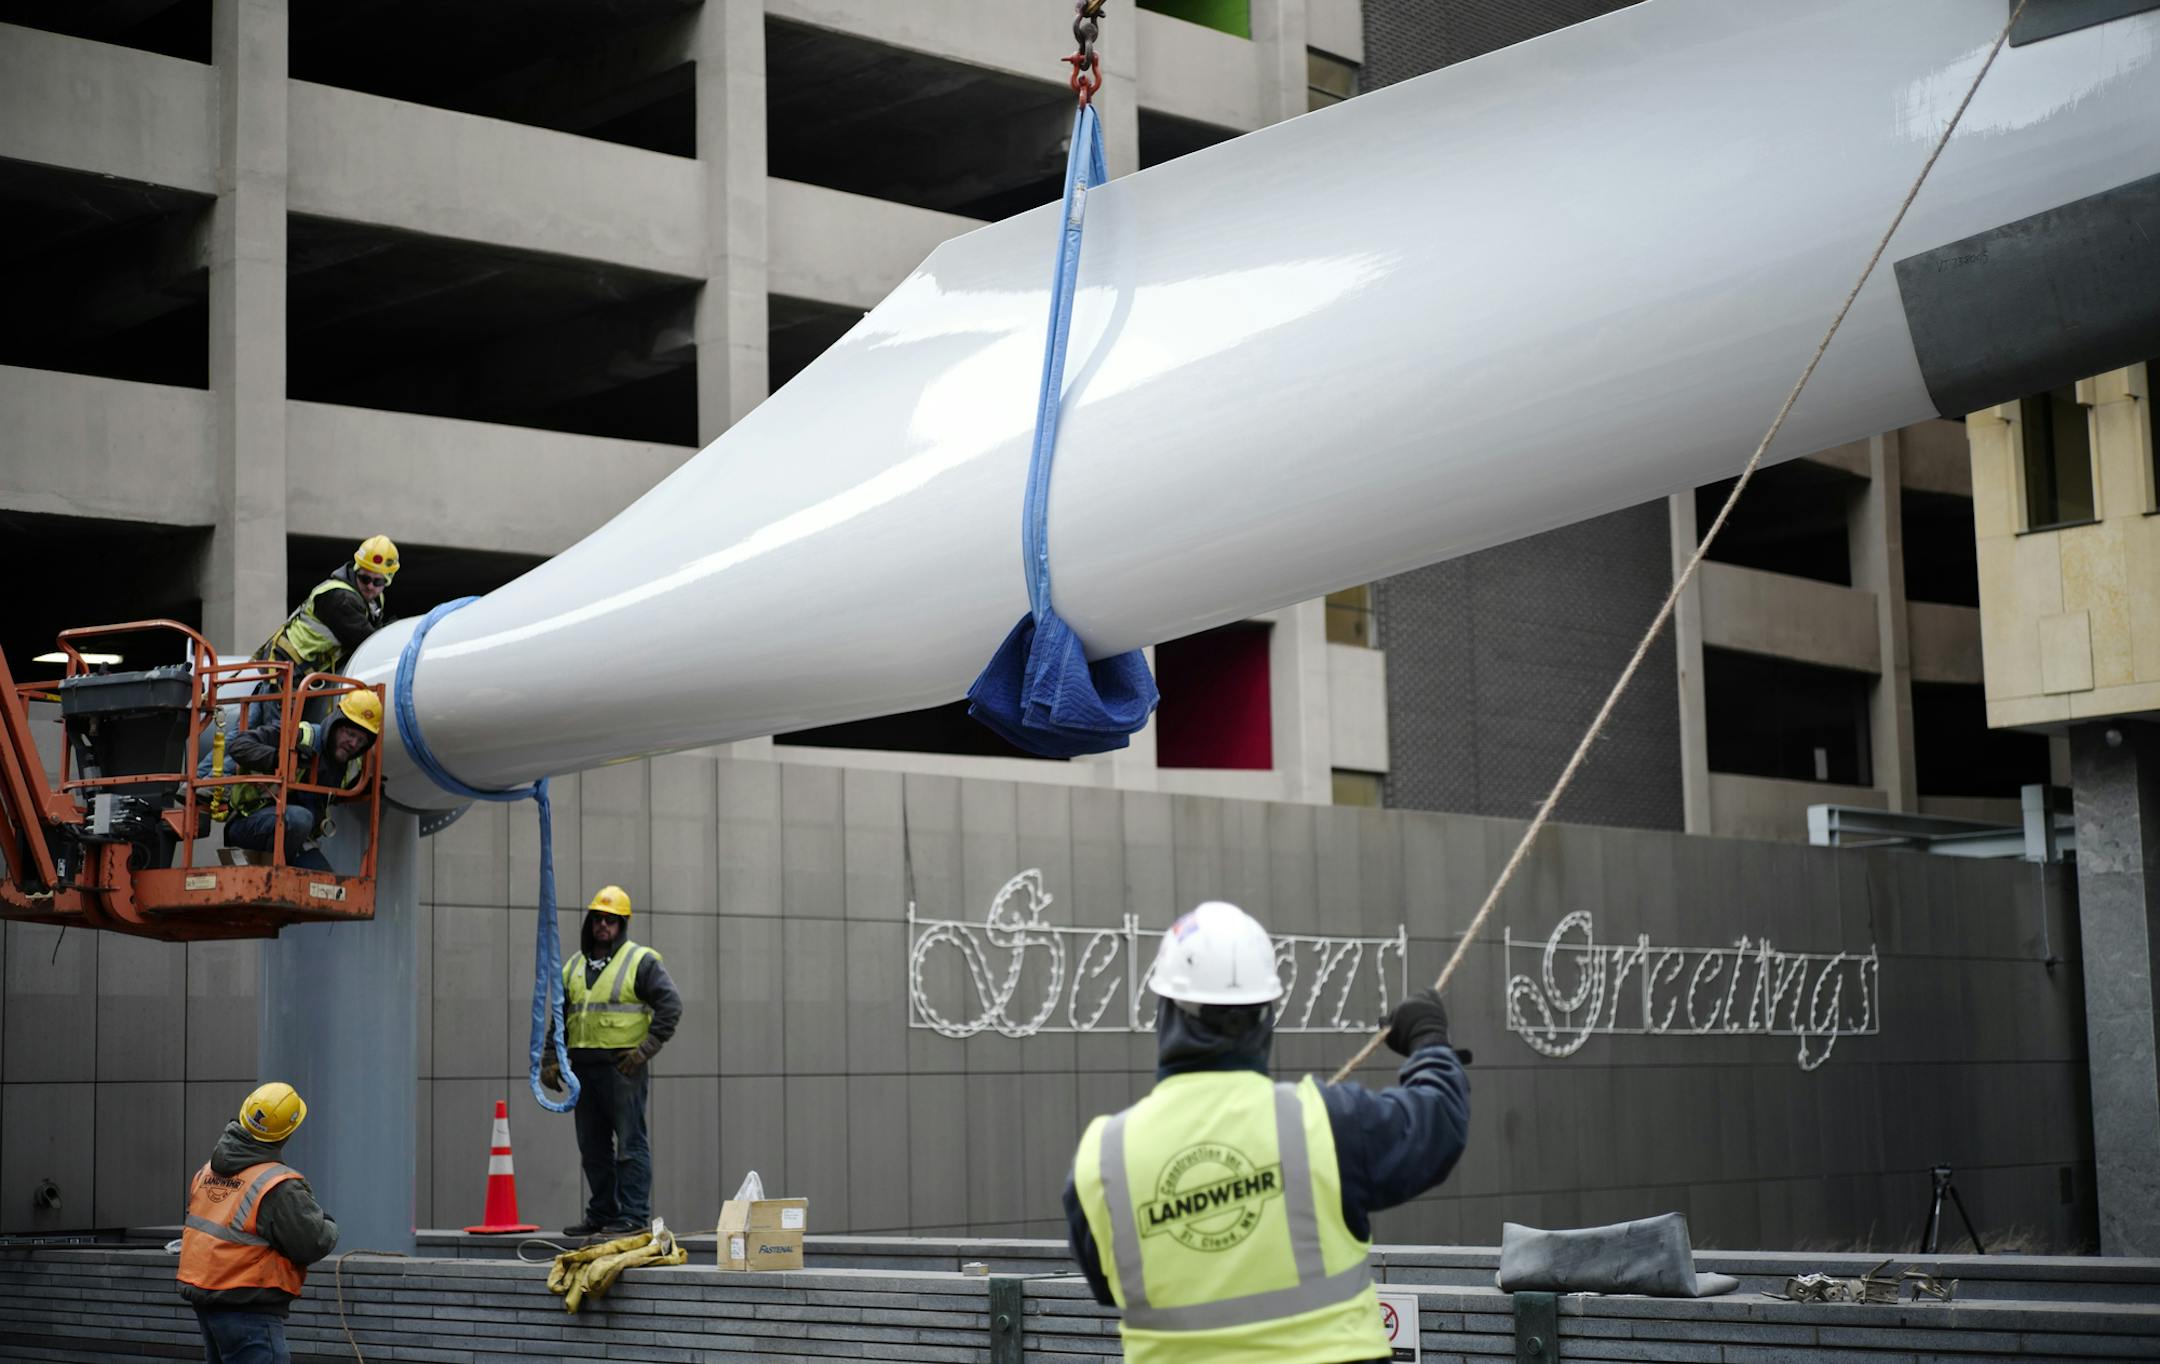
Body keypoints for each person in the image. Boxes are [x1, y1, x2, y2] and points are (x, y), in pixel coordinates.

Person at [1064, 901, 1471, 1364]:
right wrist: (1428, 1041)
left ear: (1165, 1012)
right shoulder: (1324, 1123)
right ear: (1264, 1018)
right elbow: (1437, 1124)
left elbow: (1108, 1285)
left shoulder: (1103, 1159)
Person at [541, 885, 683, 1237]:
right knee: (593, 1148)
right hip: (582, 1070)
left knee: (630, 1144)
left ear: (622, 924)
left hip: (622, 1068)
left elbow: (671, 1006)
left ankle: (633, 1215)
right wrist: (550, 1058)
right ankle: (602, 1212)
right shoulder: (574, 966)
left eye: (611, 919)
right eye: (598, 919)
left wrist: (644, 1051)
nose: (603, 925)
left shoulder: (640, 961)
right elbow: (560, 1016)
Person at [176, 1081, 339, 1364]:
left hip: (208, 1300)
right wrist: (328, 1223)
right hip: (248, 1308)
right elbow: (312, 1242)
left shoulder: (207, 1172)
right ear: (287, 1132)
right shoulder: (277, 1185)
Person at [209, 690, 381, 871]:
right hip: (250, 823)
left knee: (324, 880)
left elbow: (341, 790)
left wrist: (371, 788)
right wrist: (280, 759)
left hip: (296, 836)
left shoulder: (348, 766)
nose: (353, 744)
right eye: (350, 734)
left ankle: (286, 870)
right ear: (335, 724)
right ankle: (278, 875)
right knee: (301, 818)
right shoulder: (299, 735)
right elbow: (239, 745)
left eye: (361, 740)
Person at [257, 535, 400, 679]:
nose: (370, 586)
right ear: (356, 570)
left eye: (378, 582)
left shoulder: (374, 599)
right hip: (286, 667)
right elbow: (367, 645)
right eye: (365, 579)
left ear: (388, 579)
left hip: (305, 669)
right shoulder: (341, 598)